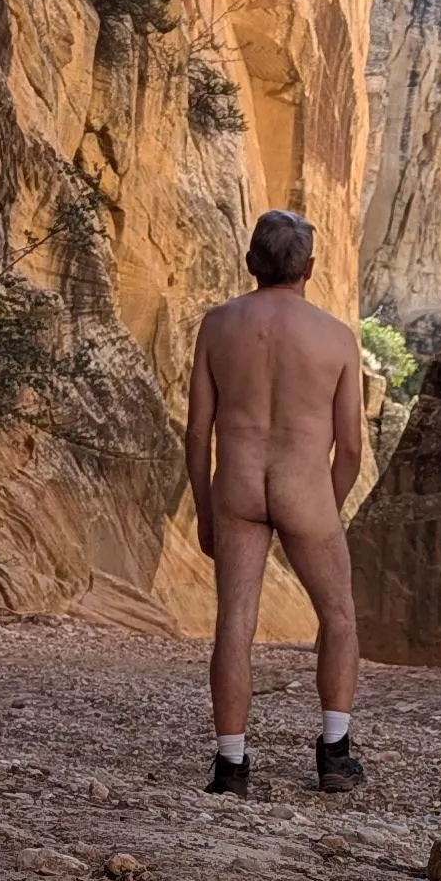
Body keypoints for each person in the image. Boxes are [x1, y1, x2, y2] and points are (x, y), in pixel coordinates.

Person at [185, 208, 367, 797]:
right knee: (339, 617)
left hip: (237, 484)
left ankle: (231, 765)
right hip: (304, 487)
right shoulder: (336, 337)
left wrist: (204, 509)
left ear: (250, 263)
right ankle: (334, 753)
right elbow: (351, 448)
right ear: (309, 268)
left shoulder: (218, 325)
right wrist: (324, 509)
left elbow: (198, 432)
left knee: (234, 624)